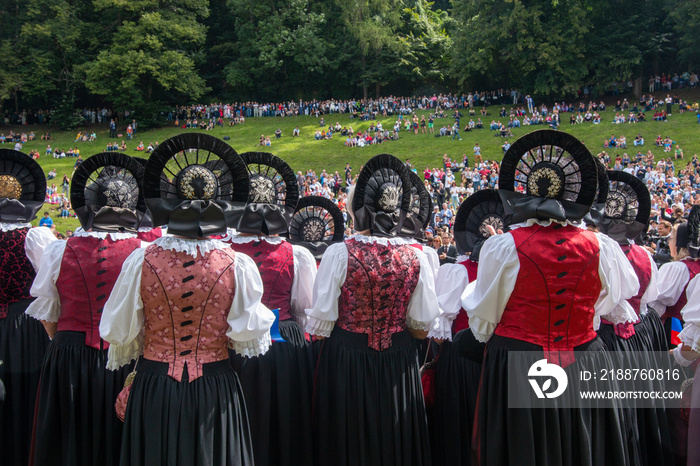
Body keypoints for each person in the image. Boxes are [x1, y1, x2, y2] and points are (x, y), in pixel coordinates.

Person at [463, 130, 638, 465]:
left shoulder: (502, 246)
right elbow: (611, 301)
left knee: (524, 448)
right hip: (585, 354)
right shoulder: (603, 246)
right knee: (581, 443)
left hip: (519, 357)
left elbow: (483, 322)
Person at [100, 133, 273, 466]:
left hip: (155, 386)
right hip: (215, 387)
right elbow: (248, 337)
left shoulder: (141, 259)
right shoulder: (237, 264)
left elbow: (121, 332)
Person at [306, 154, 440, 466]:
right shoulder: (415, 257)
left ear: (357, 210)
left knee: (350, 439)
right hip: (399, 362)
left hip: (348, 361)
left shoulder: (339, 254)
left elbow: (321, 325)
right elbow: (421, 326)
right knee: (395, 436)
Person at [26, 153, 149, 466]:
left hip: (69, 355)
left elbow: (49, 314)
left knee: (72, 439)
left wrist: (65, 341)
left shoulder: (59, 249)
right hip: (125, 355)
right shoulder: (144, 253)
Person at [223, 152, 317, 466]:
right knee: (285, 417)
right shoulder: (296, 253)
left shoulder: (225, 253)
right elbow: (305, 307)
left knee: (245, 416)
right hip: (285, 342)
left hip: (238, 342)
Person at [596, 170, 673, 464]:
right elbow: (652, 298)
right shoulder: (644, 253)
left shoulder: (600, 251)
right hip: (641, 335)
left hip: (608, 339)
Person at [430, 189, 507, 465]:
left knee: (463, 430)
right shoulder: (514, 268)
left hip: (462, 364)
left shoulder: (457, 271)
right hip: (501, 360)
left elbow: (439, 332)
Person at [0, 150, 57, 466]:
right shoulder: (34, 236)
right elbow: (53, 286)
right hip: (26, 327)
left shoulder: (34, 235)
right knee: (27, 397)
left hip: (20, 323)